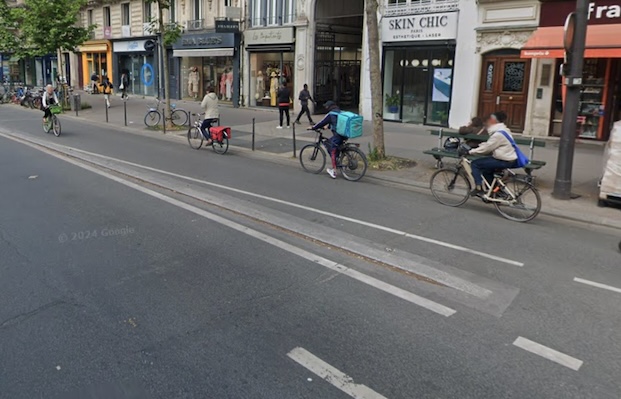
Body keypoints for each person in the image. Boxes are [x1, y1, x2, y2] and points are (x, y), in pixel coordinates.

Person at [468, 111, 517, 196]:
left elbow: (487, 148)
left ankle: (478, 188)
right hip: (507, 157)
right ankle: (494, 192)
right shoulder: (504, 131)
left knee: (475, 164)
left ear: (494, 121)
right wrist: (481, 146)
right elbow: (491, 144)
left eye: (490, 119)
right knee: (486, 171)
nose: (488, 121)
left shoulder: (498, 134)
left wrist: (471, 151)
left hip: (503, 159)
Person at [308, 101, 342, 179]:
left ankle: (334, 171)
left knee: (332, 149)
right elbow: (336, 123)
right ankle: (338, 160)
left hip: (338, 135)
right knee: (332, 143)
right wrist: (328, 126)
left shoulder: (330, 114)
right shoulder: (339, 112)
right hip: (343, 135)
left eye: (326, 107)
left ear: (329, 107)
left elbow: (321, 122)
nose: (326, 108)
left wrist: (313, 127)